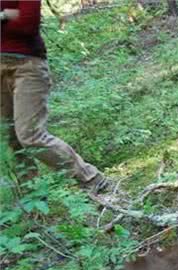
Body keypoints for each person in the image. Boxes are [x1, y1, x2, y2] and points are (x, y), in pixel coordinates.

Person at [0, 0, 112, 193]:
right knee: (10, 139)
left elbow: (28, 23)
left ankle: (92, 179)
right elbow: (17, 17)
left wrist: (3, 14)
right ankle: (34, 203)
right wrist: (9, 14)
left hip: (27, 66)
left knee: (30, 135)